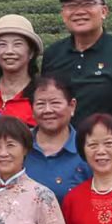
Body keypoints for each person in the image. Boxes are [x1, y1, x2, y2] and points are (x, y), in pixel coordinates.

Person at [22, 74, 90, 202]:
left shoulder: (88, 149)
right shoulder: (19, 145)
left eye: (55, 103)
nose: (47, 110)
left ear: (72, 106)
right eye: (40, 104)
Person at [0, 14, 44, 123]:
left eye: (17, 44)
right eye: (2, 45)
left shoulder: (42, 92)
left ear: (31, 52)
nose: (9, 51)